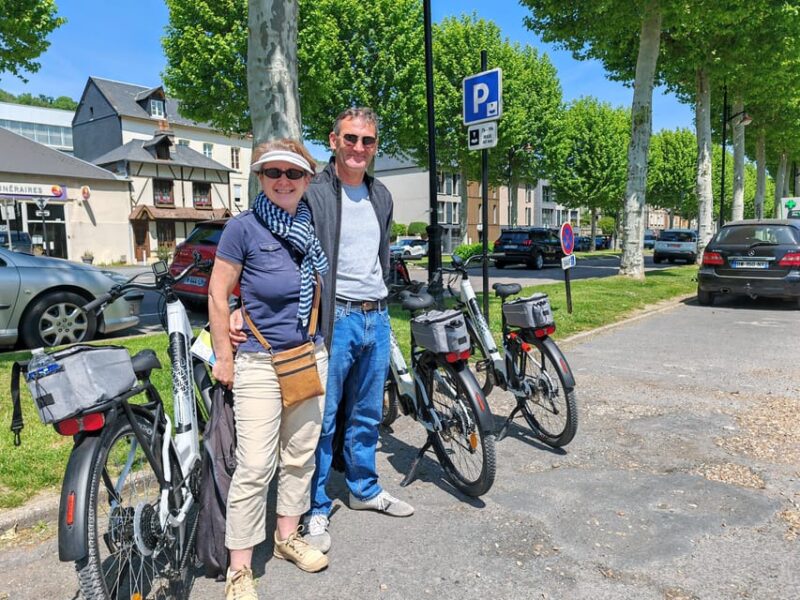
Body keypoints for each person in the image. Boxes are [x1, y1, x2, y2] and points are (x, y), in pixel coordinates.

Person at [209, 139, 330, 600]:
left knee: (300, 456)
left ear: (307, 180)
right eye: (273, 172)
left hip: (307, 357)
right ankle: (239, 567)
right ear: (259, 177)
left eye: (293, 173)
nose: (283, 180)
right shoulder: (243, 228)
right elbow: (219, 294)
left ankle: (286, 537)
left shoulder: (309, 226)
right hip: (259, 362)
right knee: (256, 464)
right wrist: (224, 353)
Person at [302, 107, 414, 553]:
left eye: (367, 141)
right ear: (333, 140)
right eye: (351, 139)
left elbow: (381, 253)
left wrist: (384, 299)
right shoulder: (314, 193)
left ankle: (364, 489)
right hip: (336, 319)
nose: (359, 148)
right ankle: (315, 505)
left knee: (367, 414)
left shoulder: (380, 195)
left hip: (377, 315)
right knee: (324, 419)